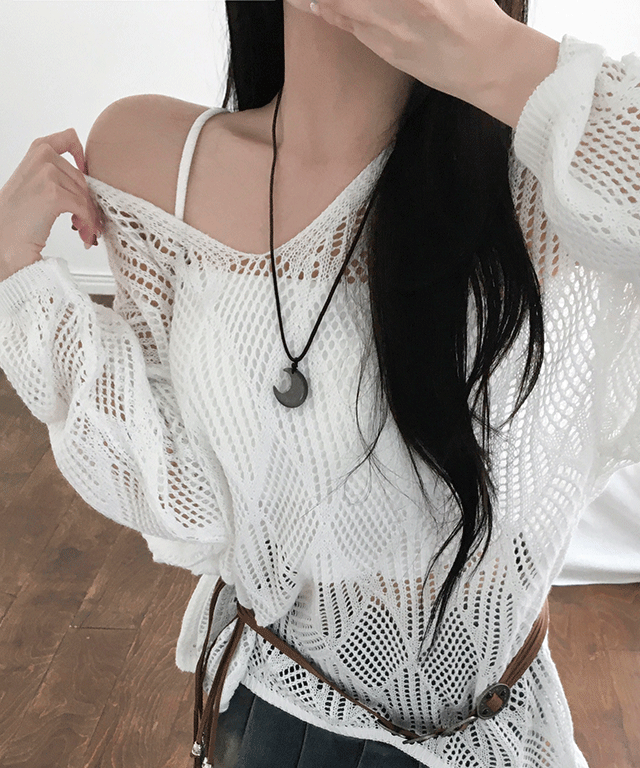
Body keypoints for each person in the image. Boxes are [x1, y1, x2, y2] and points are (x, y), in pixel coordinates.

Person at [0, 0, 638, 766]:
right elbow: (188, 495)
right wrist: (14, 271)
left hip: (487, 725)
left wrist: (498, 57)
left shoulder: (545, 178)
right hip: (275, 708)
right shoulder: (152, 156)